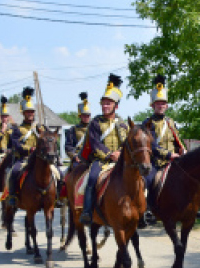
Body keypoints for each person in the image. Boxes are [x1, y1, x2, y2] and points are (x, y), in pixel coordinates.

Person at [78, 74, 129, 226]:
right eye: (103, 103)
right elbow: (94, 143)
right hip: (100, 161)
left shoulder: (122, 123)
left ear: (116, 106)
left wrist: (120, 153)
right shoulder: (95, 122)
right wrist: (110, 154)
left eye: (108, 103)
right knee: (91, 179)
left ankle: (142, 210)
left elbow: (126, 142)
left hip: (120, 160)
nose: (105, 106)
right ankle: (87, 211)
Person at [140, 75, 185, 227]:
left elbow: (176, 139)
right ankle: (148, 210)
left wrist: (182, 149)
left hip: (174, 161)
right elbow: (151, 147)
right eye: (158, 103)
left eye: (163, 103)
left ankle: (190, 208)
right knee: (148, 181)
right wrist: (169, 154)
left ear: (167, 105)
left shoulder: (171, 122)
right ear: (152, 105)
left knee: (190, 176)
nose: (161, 105)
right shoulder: (147, 123)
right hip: (155, 162)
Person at [5, 87, 47, 206]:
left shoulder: (40, 128)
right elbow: (16, 145)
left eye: (32, 111)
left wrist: (43, 132)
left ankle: (57, 195)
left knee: (57, 172)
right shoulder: (17, 129)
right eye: (28, 112)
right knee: (14, 172)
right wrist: (30, 149)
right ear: (23, 113)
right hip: (24, 159)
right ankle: (12, 195)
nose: (30, 114)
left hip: (40, 159)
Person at [64, 92, 92, 163]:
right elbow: (68, 147)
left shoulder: (95, 129)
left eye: (88, 115)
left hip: (92, 158)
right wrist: (74, 156)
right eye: (84, 115)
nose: (86, 117)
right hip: (78, 159)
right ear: (80, 116)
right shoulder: (73, 130)